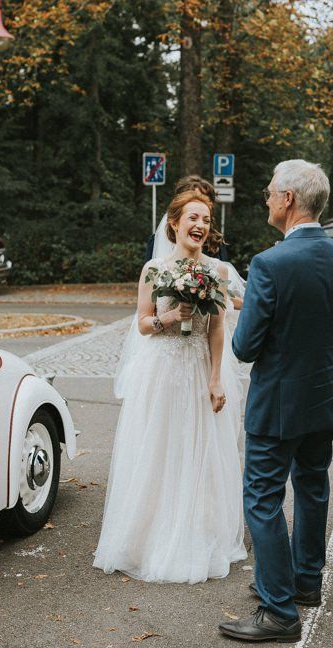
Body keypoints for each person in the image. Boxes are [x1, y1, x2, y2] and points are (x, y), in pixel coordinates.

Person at [218, 160, 333, 642]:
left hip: (278, 404)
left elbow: (244, 347)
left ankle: (279, 611)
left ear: (287, 200)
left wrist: (252, 311)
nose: (265, 198)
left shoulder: (269, 264)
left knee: (262, 498)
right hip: (325, 398)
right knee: (311, 486)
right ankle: (306, 582)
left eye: (269, 192)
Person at [93, 190, 247, 583]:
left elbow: (216, 328)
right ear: (174, 223)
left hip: (198, 367)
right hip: (162, 370)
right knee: (160, 449)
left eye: (207, 220)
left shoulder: (218, 271)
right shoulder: (154, 269)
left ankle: (199, 534)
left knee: (201, 451)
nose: (200, 225)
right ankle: (151, 537)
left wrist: (215, 379)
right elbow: (144, 323)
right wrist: (170, 316)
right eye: (192, 218)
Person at [145, 175, 244, 308]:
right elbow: (148, 295)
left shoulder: (215, 243)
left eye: (205, 199)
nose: (199, 203)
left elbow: (224, 291)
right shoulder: (155, 244)